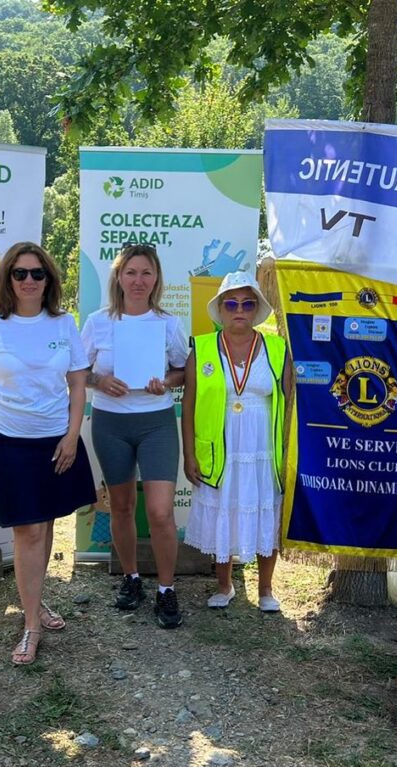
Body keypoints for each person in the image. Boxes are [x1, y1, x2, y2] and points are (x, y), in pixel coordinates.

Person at [0, 242, 95, 665]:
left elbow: (78, 384)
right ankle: (31, 624)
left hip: (56, 440)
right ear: (7, 279)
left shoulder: (64, 323)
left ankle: (35, 598)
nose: (29, 280)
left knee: (44, 526)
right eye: (20, 273)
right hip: (9, 440)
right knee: (28, 531)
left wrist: (72, 436)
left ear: (48, 279)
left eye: (37, 273)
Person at [80, 244, 188, 628]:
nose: (138, 280)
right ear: (118, 277)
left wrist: (166, 383)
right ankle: (131, 578)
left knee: (160, 512)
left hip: (156, 422)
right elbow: (77, 372)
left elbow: (183, 371)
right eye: (131, 272)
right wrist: (99, 381)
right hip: (111, 424)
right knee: (122, 507)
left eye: (146, 273)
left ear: (156, 278)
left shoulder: (169, 324)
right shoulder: (97, 322)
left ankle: (166, 589)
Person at [181, 271, 292, 611]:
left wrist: (290, 452)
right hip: (220, 448)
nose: (239, 310)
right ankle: (225, 585)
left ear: (256, 308)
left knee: (266, 512)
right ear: (221, 309)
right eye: (231, 304)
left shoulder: (278, 348)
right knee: (224, 511)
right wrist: (189, 454)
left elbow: (290, 403)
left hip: (262, 450)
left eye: (247, 303)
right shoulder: (201, 348)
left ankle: (266, 589)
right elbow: (188, 404)